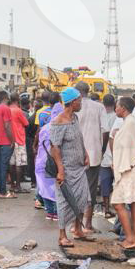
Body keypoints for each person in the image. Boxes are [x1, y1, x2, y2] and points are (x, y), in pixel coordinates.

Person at [48, 87, 91, 247]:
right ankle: (62, 235)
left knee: (82, 199)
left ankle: (78, 229)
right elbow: (55, 147)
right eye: (79, 101)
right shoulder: (58, 122)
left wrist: (85, 153)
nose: (81, 104)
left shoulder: (75, 118)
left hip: (79, 167)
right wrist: (60, 170)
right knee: (65, 201)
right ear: (72, 102)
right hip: (65, 169)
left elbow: (79, 138)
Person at [111, 96, 135, 251]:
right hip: (134, 168)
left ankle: (130, 238)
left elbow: (128, 147)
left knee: (118, 203)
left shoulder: (129, 123)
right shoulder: (129, 122)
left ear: (123, 108)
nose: (116, 109)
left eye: (117, 107)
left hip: (129, 169)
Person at [75, 81, 105, 231]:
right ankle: (87, 224)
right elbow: (105, 131)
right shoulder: (99, 107)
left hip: (76, 155)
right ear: (88, 91)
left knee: (77, 189)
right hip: (94, 154)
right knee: (91, 190)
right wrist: (102, 149)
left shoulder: (74, 107)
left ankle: (77, 224)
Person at [98, 94, 118, 219]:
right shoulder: (119, 117)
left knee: (105, 182)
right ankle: (118, 207)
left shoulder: (101, 116)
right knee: (118, 183)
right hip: (117, 155)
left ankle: (106, 208)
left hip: (104, 155)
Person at [0, 91, 16, 198]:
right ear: (6, 98)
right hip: (6, 142)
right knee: (3, 167)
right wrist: (12, 140)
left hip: (0, 141)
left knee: (1, 166)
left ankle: (1, 191)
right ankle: (3, 192)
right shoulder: (6, 109)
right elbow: (7, 126)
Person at [7, 93, 31, 196]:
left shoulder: (7, 109)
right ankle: (18, 186)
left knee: (12, 163)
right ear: (18, 100)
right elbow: (26, 123)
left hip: (9, 140)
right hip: (19, 139)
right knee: (19, 164)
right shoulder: (18, 110)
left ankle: (12, 185)